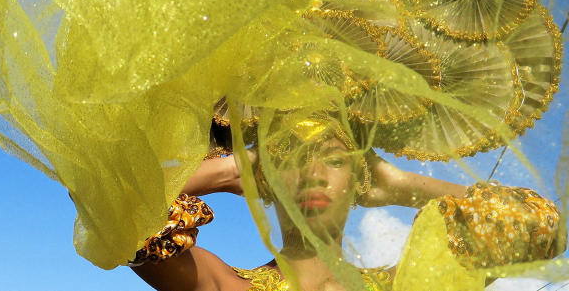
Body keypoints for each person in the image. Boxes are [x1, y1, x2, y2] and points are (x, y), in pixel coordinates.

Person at [129, 115, 561, 291]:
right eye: (289, 158)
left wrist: (397, 183)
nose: (314, 172)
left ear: (360, 181)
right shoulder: (227, 284)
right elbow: (120, 209)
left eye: (336, 160)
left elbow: (540, 226)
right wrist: (234, 169)